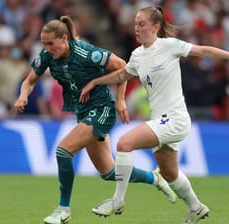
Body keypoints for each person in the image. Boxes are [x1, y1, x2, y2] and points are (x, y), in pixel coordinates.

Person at [14, 15, 176, 224]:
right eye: (44, 44)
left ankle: (63, 210)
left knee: (63, 151)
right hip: (83, 113)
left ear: (64, 39)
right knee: (108, 172)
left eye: (51, 43)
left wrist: (120, 100)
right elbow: (28, 81)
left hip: (102, 109)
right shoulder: (47, 56)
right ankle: (155, 177)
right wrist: (23, 95)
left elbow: (122, 66)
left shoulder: (86, 52)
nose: (47, 48)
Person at [79, 5, 229, 224]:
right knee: (169, 173)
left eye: (142, 24)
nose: (137, 28)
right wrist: (95, 82)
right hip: (160, 120)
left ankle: (117, 201)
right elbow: (122, 74)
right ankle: (196, 208)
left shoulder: (169, 46)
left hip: (175, 119)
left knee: (124, 144)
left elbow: (203, 51)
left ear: (155, 27)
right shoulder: (138, 55)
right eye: (135, 24)